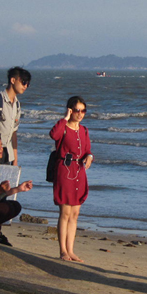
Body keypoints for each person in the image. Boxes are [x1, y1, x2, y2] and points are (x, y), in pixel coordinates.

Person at [50, 96, 93, 262]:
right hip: (64, 170)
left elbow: (88, 149)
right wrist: (65, 118)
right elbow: (54, 135)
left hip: (79, 171)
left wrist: (89, 157)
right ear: (70, 110)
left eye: (83, 110)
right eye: (77, 110)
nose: (80, 114)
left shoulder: (84, 130)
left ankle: (71, 250)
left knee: (75, 213)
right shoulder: (64, 127)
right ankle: (63, 251)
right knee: (65, 212)